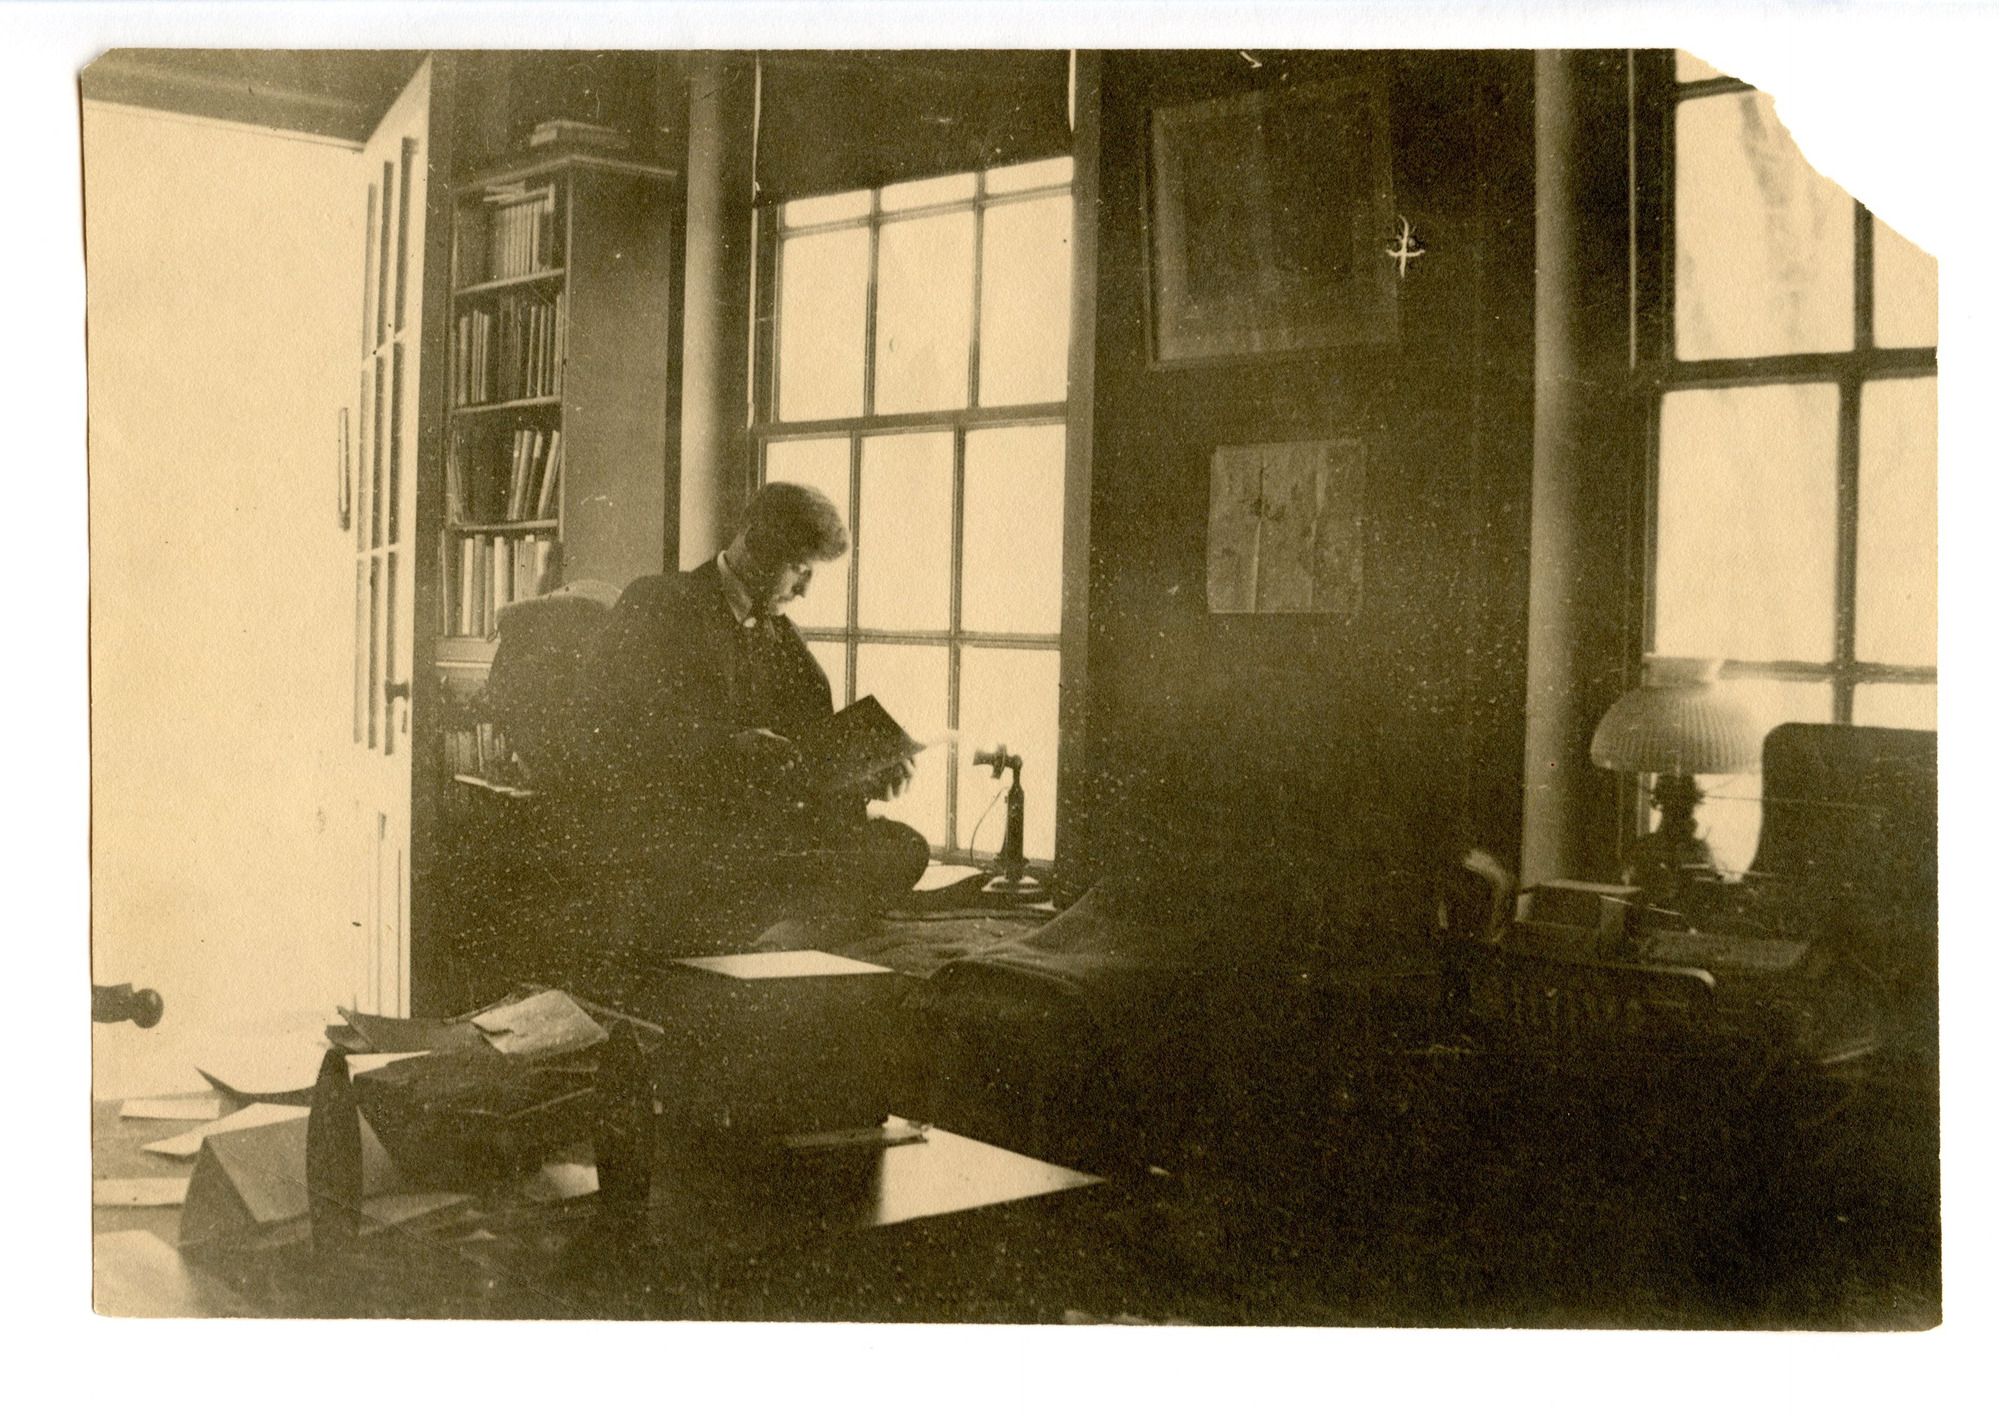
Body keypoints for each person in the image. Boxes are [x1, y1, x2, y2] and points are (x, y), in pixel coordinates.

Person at [574, 482, 927, 952]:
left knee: (904, 847)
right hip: (680, 832)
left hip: (763, 837)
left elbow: (810, 765)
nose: (804, 590)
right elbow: (599, 728)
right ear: (756, 541)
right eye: (799, 570)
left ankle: (771, 919)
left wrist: (862, 778)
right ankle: (769, 922)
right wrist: (723, 748)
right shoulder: (659, 603)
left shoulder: (788, 644)